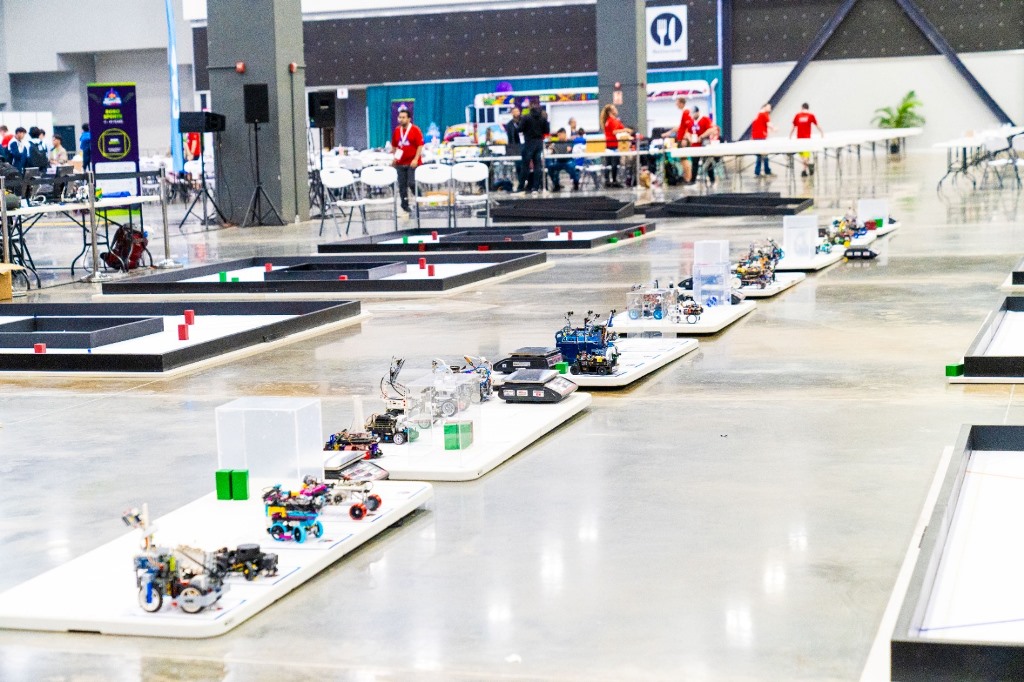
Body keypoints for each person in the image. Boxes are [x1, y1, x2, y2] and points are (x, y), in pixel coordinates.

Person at [391, 106, 423, 216]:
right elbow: (394, 146)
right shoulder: (397, 131)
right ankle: (405, 206)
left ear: (409, 119)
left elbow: (420, 145)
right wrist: (395, 157)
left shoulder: (415, 130)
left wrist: (416, 159)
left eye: (403, 117)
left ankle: (420, 198)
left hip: (412, 163)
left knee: (411, 182)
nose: (401, 119)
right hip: (400, 163)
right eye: (400, 117)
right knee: (402, 186)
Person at [519, 98, 549, 194]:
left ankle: (521, 186)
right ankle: (535, 187)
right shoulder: (543, 118)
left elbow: (520, 129)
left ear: (530, 106)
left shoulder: (526, 117)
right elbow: (546, 131)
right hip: (539, 143)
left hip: (528, 142)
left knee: (525, 166)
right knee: (537, 166)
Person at [662, 97, 694, 182]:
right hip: (681, 138)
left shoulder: (686, 112)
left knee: (684, 159)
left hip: (683, 139)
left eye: (677, 103)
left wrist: (685, 138)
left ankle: (688, 178)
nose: (676, 105)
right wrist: (669, 132)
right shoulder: (684, 112)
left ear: (681, 103)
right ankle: (687, 177)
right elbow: (681, 127)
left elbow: (687, 127)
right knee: (682, 159)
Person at [601, 104, 632, 188]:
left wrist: (626, 131)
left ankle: (609, 180)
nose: (616, 109)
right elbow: (614, 132)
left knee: (611, 164)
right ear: (610, 112)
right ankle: (613, 181)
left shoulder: (614, 121)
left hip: (612, 145)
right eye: (614, 108)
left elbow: (620, 128)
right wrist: (625, 130)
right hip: (612, 145)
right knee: (613, 164)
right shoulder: (610, 121)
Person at [790, 102, 824, 177]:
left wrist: (790, 135)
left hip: (801, 139)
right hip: (806, 139)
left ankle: (804, 170)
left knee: (804, 156)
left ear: (802, 108)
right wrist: (821, 132)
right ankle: (809, 166)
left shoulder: (798, 116)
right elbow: (817, 125)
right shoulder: (810, 116)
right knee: (804, 156)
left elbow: (793, 127)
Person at [690, 110, 721, 184]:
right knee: (694, 163)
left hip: (704, 144)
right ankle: (693, 180)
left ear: (698, 112)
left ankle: (712, 179)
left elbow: (711, 129)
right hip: (695, 145)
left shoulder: (705, 119)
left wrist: (702, 136)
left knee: (708, 162)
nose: (693, 115)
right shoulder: (691, 122)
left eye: (694, 113)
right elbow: (688, 132)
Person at [751, 103, 774, 177]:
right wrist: (774, 129)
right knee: (763, 154)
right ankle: (764, 171)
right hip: (760, 137)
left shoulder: (758, 115)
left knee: (760, 155)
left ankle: (759, 171)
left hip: (756, 136)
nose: (770, 109)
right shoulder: (764, 114)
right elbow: (769, 124)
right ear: (764, 107)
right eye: (769, 107)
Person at [504, 105, 524, 191]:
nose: (517, 113)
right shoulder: (509, 125)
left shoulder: (524, 122)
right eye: (515, 111)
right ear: (512, 113)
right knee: (518, 166)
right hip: (515, 148)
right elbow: (510, 138)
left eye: (518, 111)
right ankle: (521, 183)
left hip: (525, 146)